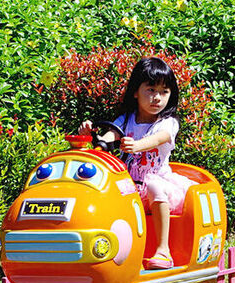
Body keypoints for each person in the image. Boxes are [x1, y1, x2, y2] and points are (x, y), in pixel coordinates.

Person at [79, 57, 194, 270]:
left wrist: (138, 145)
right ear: (135, 92)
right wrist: (91, 135)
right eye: (150, 90)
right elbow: (109, 136)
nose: (157, 98)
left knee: (154, 186)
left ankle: (163, 250)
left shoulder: (168, 123)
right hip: (130, 184)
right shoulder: (126, 119)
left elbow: (159, 138)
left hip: (159, 182)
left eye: (164, 92)